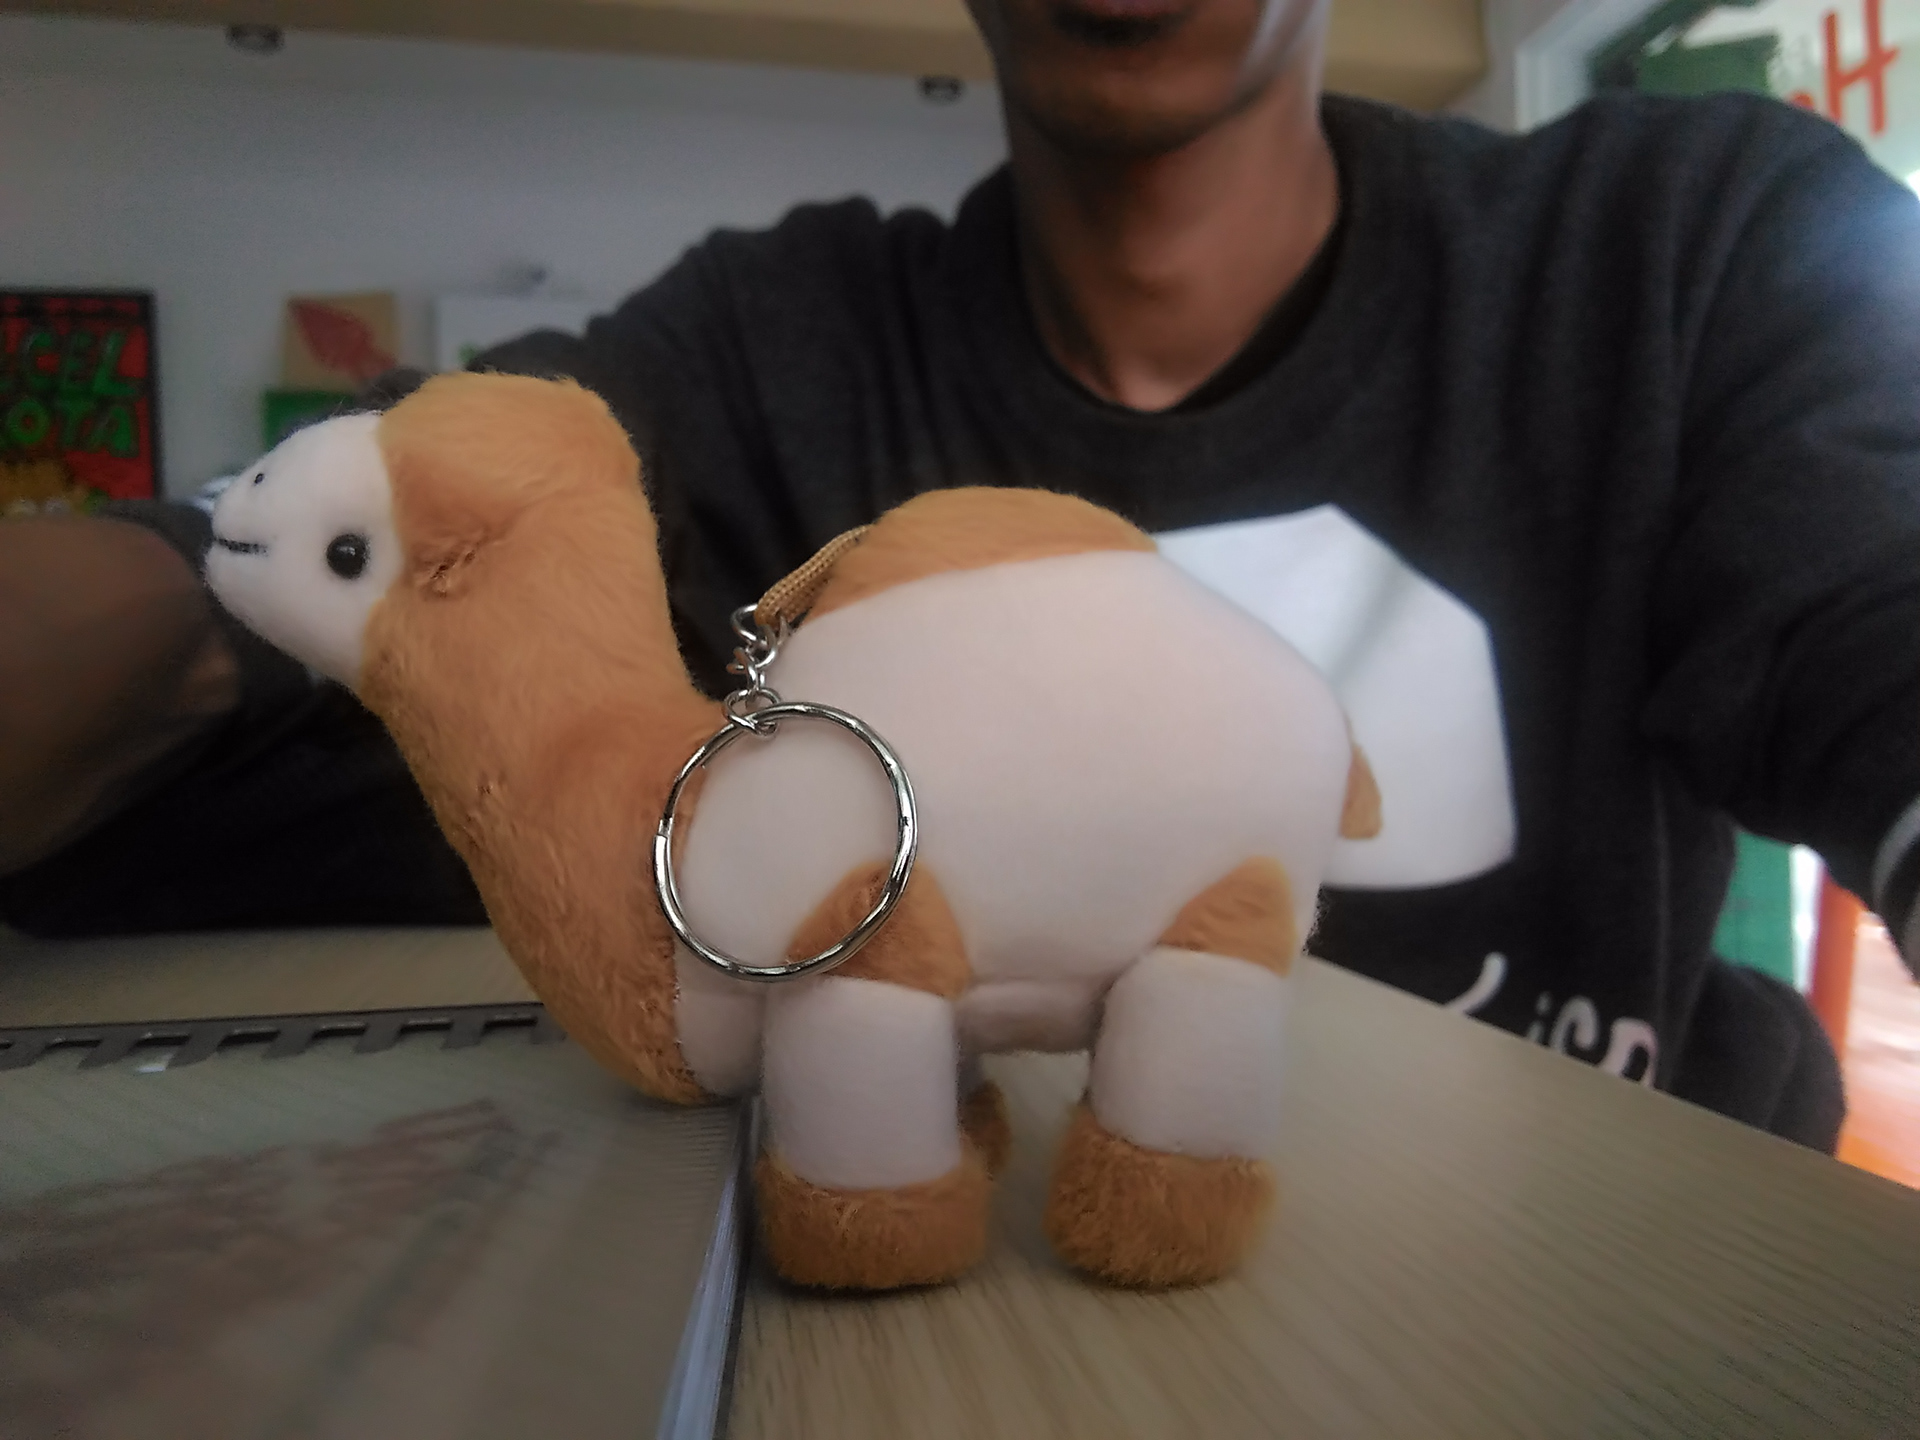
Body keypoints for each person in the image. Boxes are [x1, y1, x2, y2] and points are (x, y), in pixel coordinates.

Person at [5, 0, 1918, 1152]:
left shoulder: (1682, 252)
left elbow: (1879, 621)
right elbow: (398, 520)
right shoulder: (766, 353)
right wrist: (208, 599)